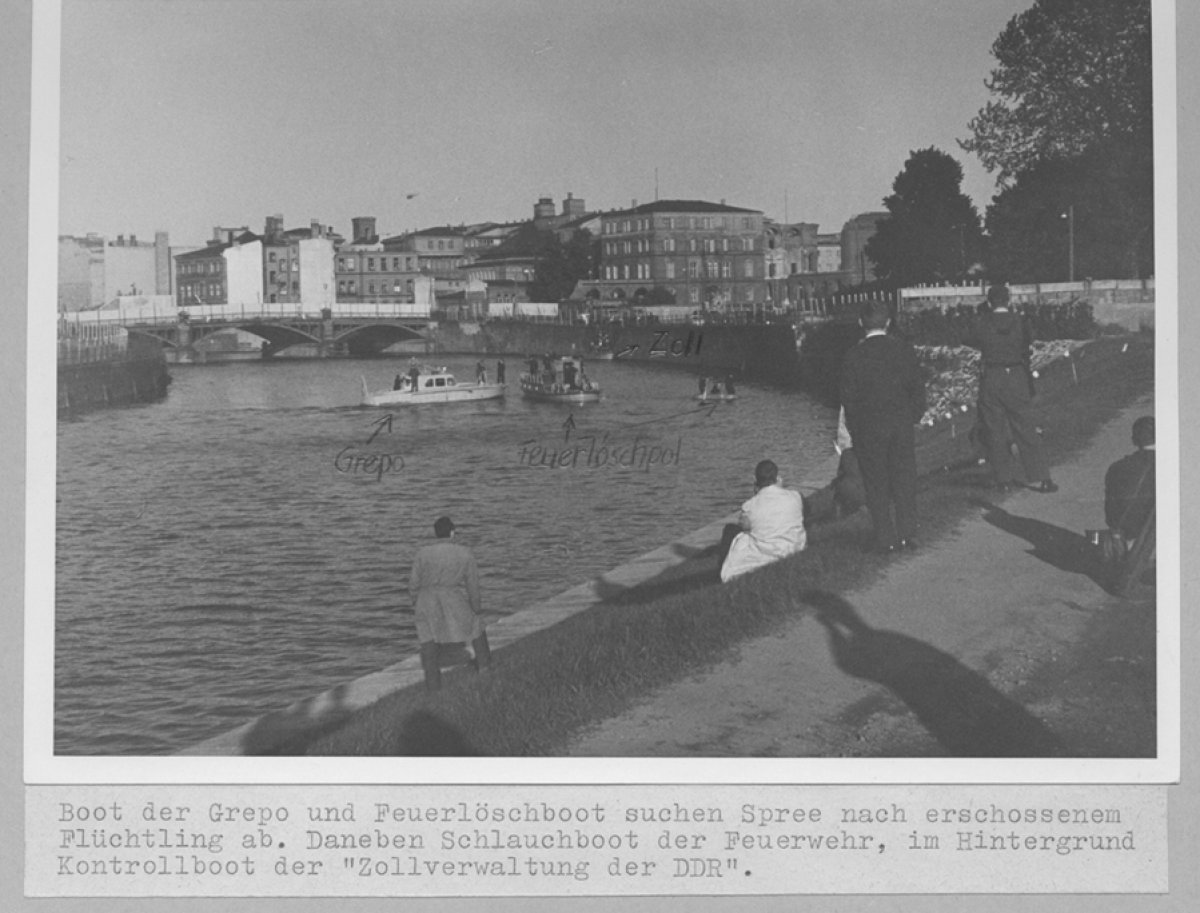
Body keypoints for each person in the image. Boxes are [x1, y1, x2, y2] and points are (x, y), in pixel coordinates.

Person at [838, 299, 925, 552]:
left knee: (876, 482)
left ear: (860, 324)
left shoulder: (853, 355)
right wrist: (913, 417)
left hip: (868, 427)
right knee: (904, 478)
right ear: (888, 323)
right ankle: (908, 533)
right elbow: (917, 389)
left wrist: (855, 428)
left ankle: (885, 538)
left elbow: (848, 399)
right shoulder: (903, 350)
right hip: (899, 423)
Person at [964, 284, 1057, 493]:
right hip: (1016, 375)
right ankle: (1042, 477)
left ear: (989, 302)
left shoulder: (982, 323)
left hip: (993, 376)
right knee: (1025, 427)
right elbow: (1028, 341)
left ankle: (1003, 479)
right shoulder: (1021, 322)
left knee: (995, 429)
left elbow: (969, 339)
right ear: (1009, 300)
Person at [409, 516, 491, 692]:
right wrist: (476, 608)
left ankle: (434, 688)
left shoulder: (422, 553)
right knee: (476, 626)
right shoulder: (464, 553)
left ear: (436, 533)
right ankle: (485, 669)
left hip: (425, 599)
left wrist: (416, 601)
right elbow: (472, 584)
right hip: (451, 596)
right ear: (452, 532)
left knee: (428, 642)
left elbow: (414, 584)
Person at [719, 460, 807, 582]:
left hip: (767, 552)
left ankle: (721, 572)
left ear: (755, 480)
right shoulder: (796, 496)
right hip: (792, 547)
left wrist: (756, 494)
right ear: (777, 477)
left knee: (730, 530)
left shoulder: (749, 506)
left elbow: (745, 525)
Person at [1105, 415, 1155, 546]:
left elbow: (1111, 512)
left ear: (1134, 440)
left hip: (1131, 537)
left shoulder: (1117, 468)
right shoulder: (1175, 464)